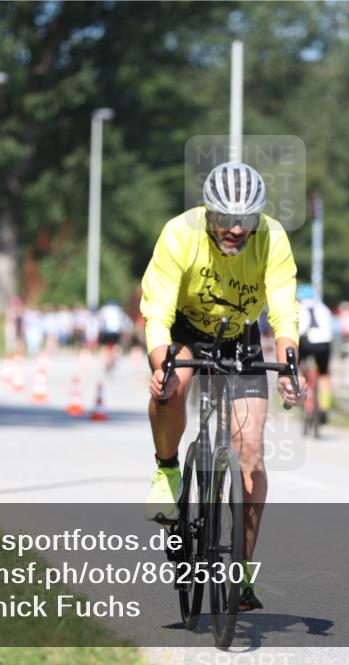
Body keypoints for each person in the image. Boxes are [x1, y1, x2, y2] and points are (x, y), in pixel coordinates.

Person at [141, 161, 303, 612]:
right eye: (226, 219)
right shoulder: (179, 234)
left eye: (247, 219)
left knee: (250, 449)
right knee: (172, 387)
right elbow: (156, 312)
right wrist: (162, 367)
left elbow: (285, 310)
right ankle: (168, 469)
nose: (236, 229)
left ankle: (243, 572)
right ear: (207, 212)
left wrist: (291, 365)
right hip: (183, 330)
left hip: (238, 335)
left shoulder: (271, 239)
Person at [296, 284, 334, 424]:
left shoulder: (298, 308)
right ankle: (324, 407)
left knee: (299, 367)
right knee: (324, 375)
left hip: (306, 341)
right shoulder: (323, 308)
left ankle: (300, 393)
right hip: (324, 341)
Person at [98, 300, 130, 371]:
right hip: (116, 331)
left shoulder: (104, 309)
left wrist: (100, 331)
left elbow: (100, 320)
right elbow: (124, 321)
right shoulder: (119, 310)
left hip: (107, 331)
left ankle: (107, 361)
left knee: (107, 346)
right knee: (116, 345)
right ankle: (115, 358)